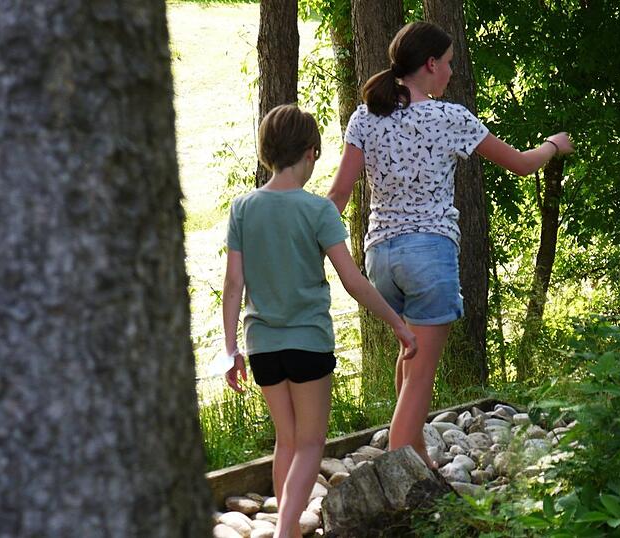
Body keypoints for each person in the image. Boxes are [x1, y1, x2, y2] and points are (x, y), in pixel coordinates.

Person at [327, 21, 574, 469]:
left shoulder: (366, 116)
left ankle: (417, 452)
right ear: (430, 64)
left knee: (409, 358)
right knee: (421, 378)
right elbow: (520, 164)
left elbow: (338, 196)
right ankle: (402, 485)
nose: (451, 73)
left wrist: (309, 243)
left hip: (381, 259)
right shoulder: (450, 118)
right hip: (429, 256)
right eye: (449, 64)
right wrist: (553, 147)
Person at [222, 104, 417, 538]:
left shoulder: (243, 208)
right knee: (311, 443)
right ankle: (285, 530)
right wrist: (398, 325)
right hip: (308, 343)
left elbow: (233, 285)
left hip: (262, 347)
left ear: (265, 152)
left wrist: (230, 349)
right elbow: (354, 281)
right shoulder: (318, 211)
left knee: (286, 441)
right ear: (312, 153)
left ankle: (286, 529)